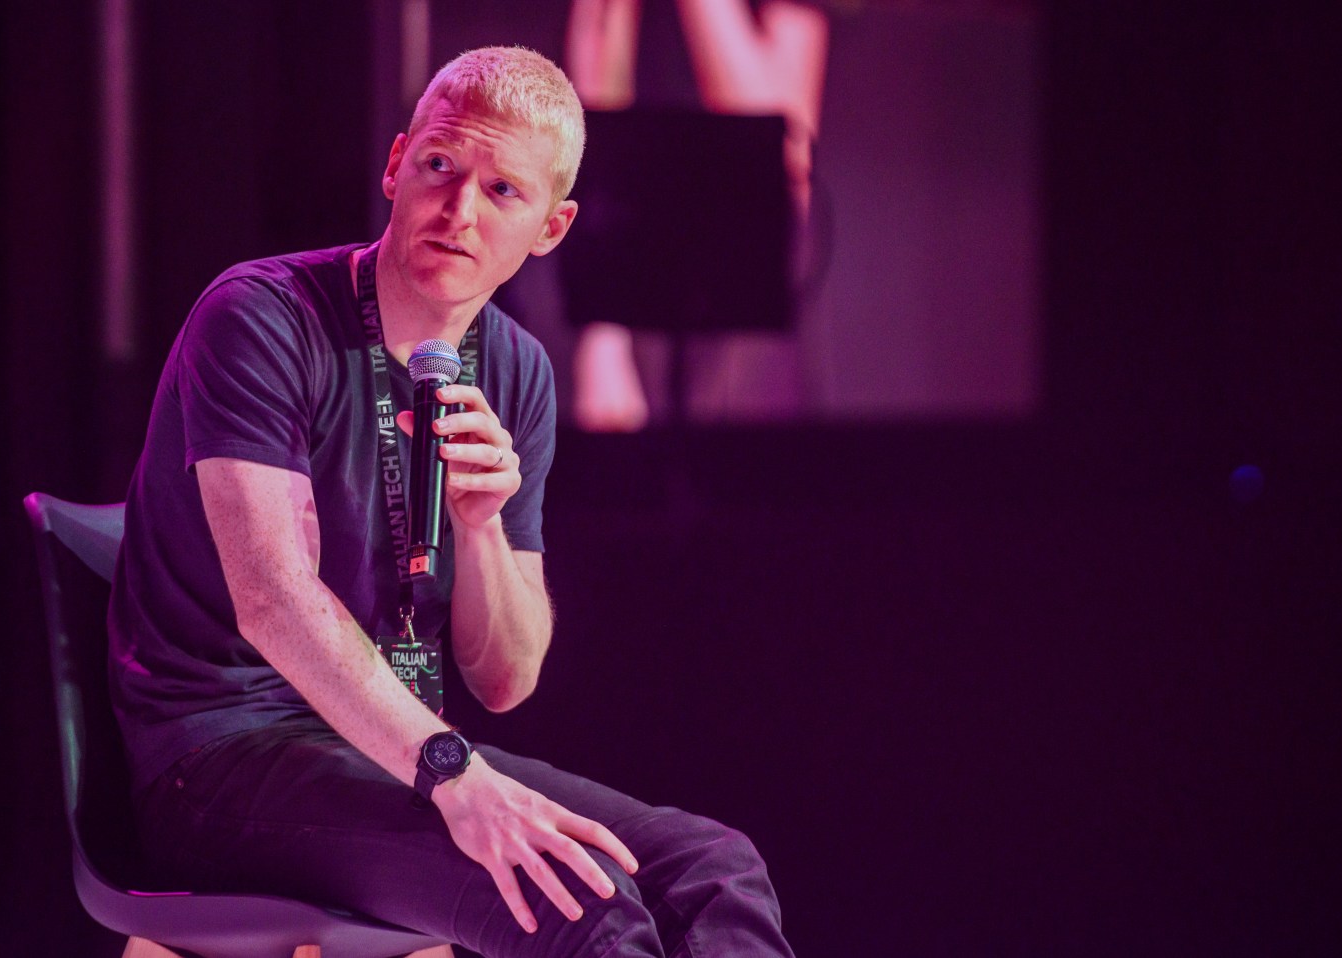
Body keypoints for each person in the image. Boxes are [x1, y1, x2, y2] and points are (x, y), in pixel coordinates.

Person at [108, 46, 794, 958]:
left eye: (504, 191)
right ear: (397, 166)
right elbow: (272, 599)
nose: (460, 211)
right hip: (220, 759)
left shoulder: (516, 372)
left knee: (713, 869)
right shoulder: (262, 317)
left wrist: (479, 531)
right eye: (440, 166)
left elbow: (505, 680)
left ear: (552, 227)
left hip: (393, 757)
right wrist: (450, 773)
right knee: (581, 909)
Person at [563, 0, 829, 431]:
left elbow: (773, 148)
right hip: (633, 283)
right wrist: (604, 337)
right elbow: (593, 129)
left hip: (745, 296)